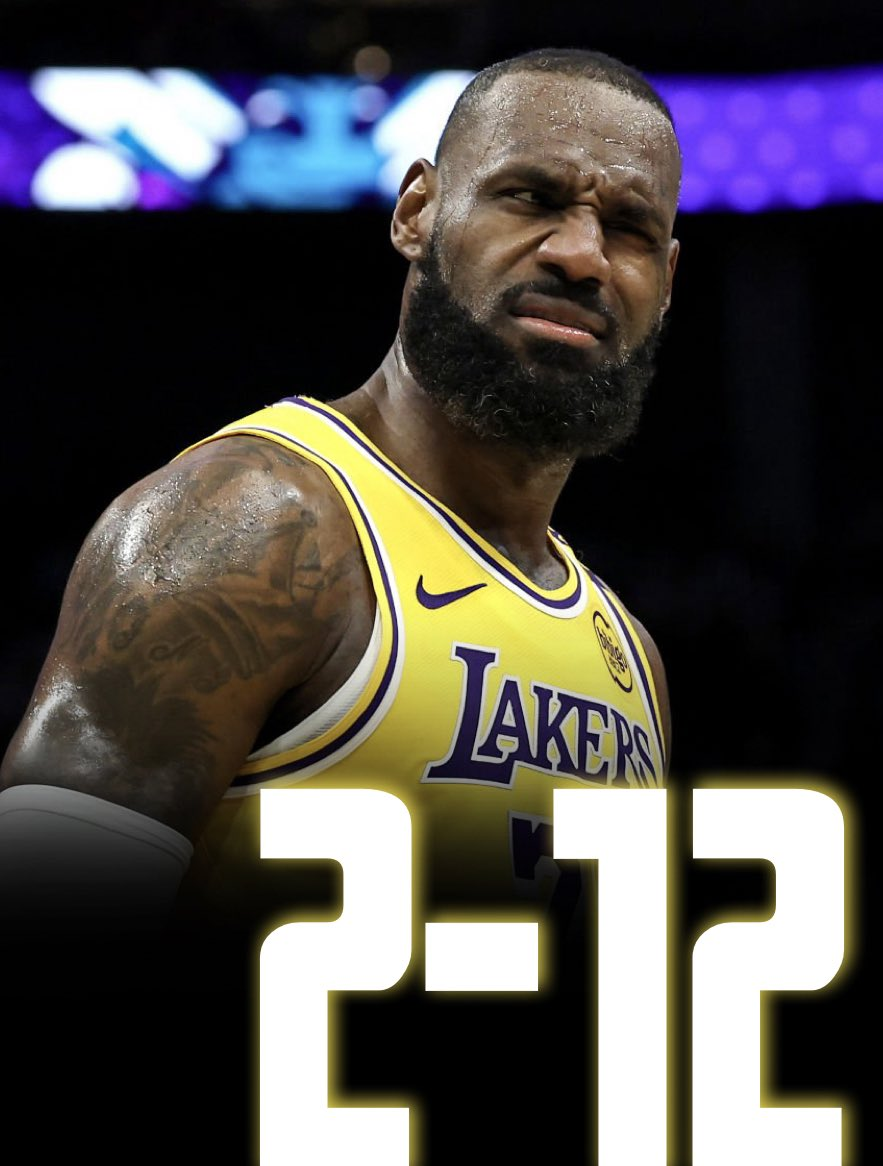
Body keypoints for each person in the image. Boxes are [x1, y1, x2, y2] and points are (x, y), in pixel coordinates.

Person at [0, 48, 680, 921]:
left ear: (667, 283)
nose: (582, 255)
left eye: (629, 227)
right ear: (417, 212)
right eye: (531, 198)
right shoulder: (248, 525)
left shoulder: (632, 660)